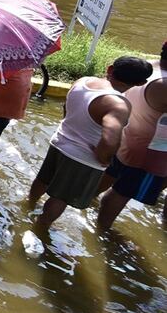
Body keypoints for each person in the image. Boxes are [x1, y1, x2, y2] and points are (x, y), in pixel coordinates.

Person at [28, 57, 151, 230]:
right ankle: (41, 226)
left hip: (59, 141)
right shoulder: (118, 104)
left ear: (110, 69)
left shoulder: (84, 81)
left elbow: (66, 107)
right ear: (141, 83)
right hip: (83, 158)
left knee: (43, 179)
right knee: (61, 197)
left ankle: (29, 204)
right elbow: (110, 139)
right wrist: (105, 158)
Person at [98, 42, 167, 228]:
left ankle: (82, 199)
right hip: (148, 151)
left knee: (110, 176)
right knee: (122, 192)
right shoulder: (164, 85)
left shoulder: (150, 66)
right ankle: (102, 230)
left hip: (127, 136)